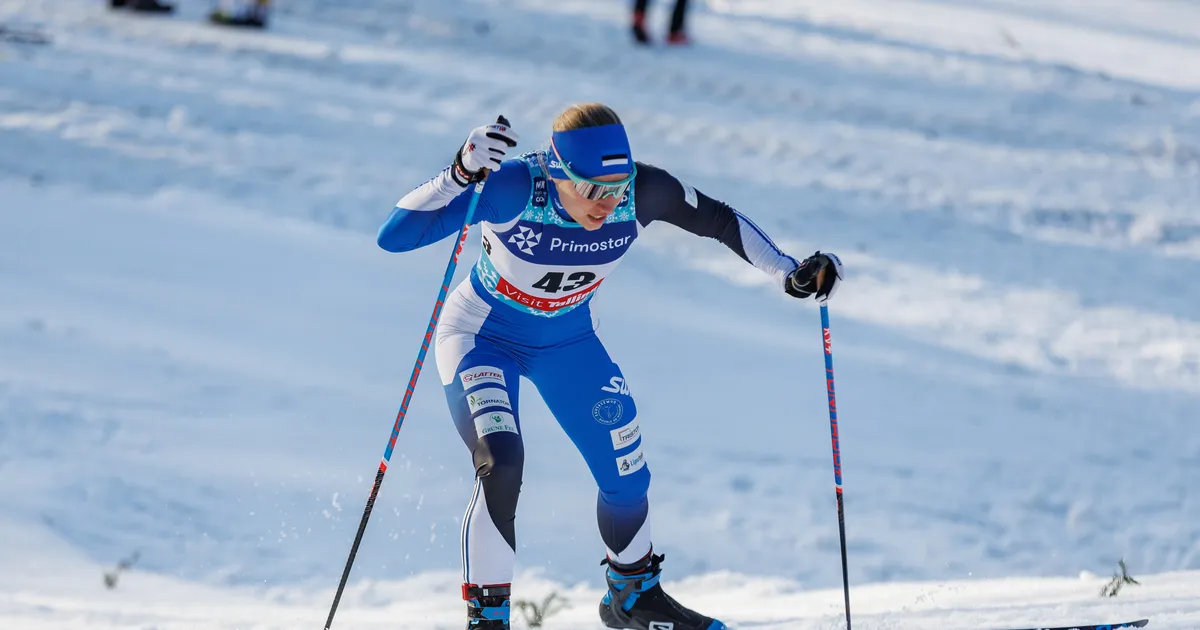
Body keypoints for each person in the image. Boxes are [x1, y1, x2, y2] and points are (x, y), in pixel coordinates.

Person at [376, 103, 843, 630]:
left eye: (617, 187)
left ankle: (633, 597)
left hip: (568, 341)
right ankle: (488, 620)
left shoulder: (642, 191)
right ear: (558, 173)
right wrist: (459, 174)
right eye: (592, 189)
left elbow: (718, 219)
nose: (608, 202)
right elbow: (394, 237)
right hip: (482, 338)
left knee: (626, 474)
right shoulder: (513, 187)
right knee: (502, 464)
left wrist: (790, 271)